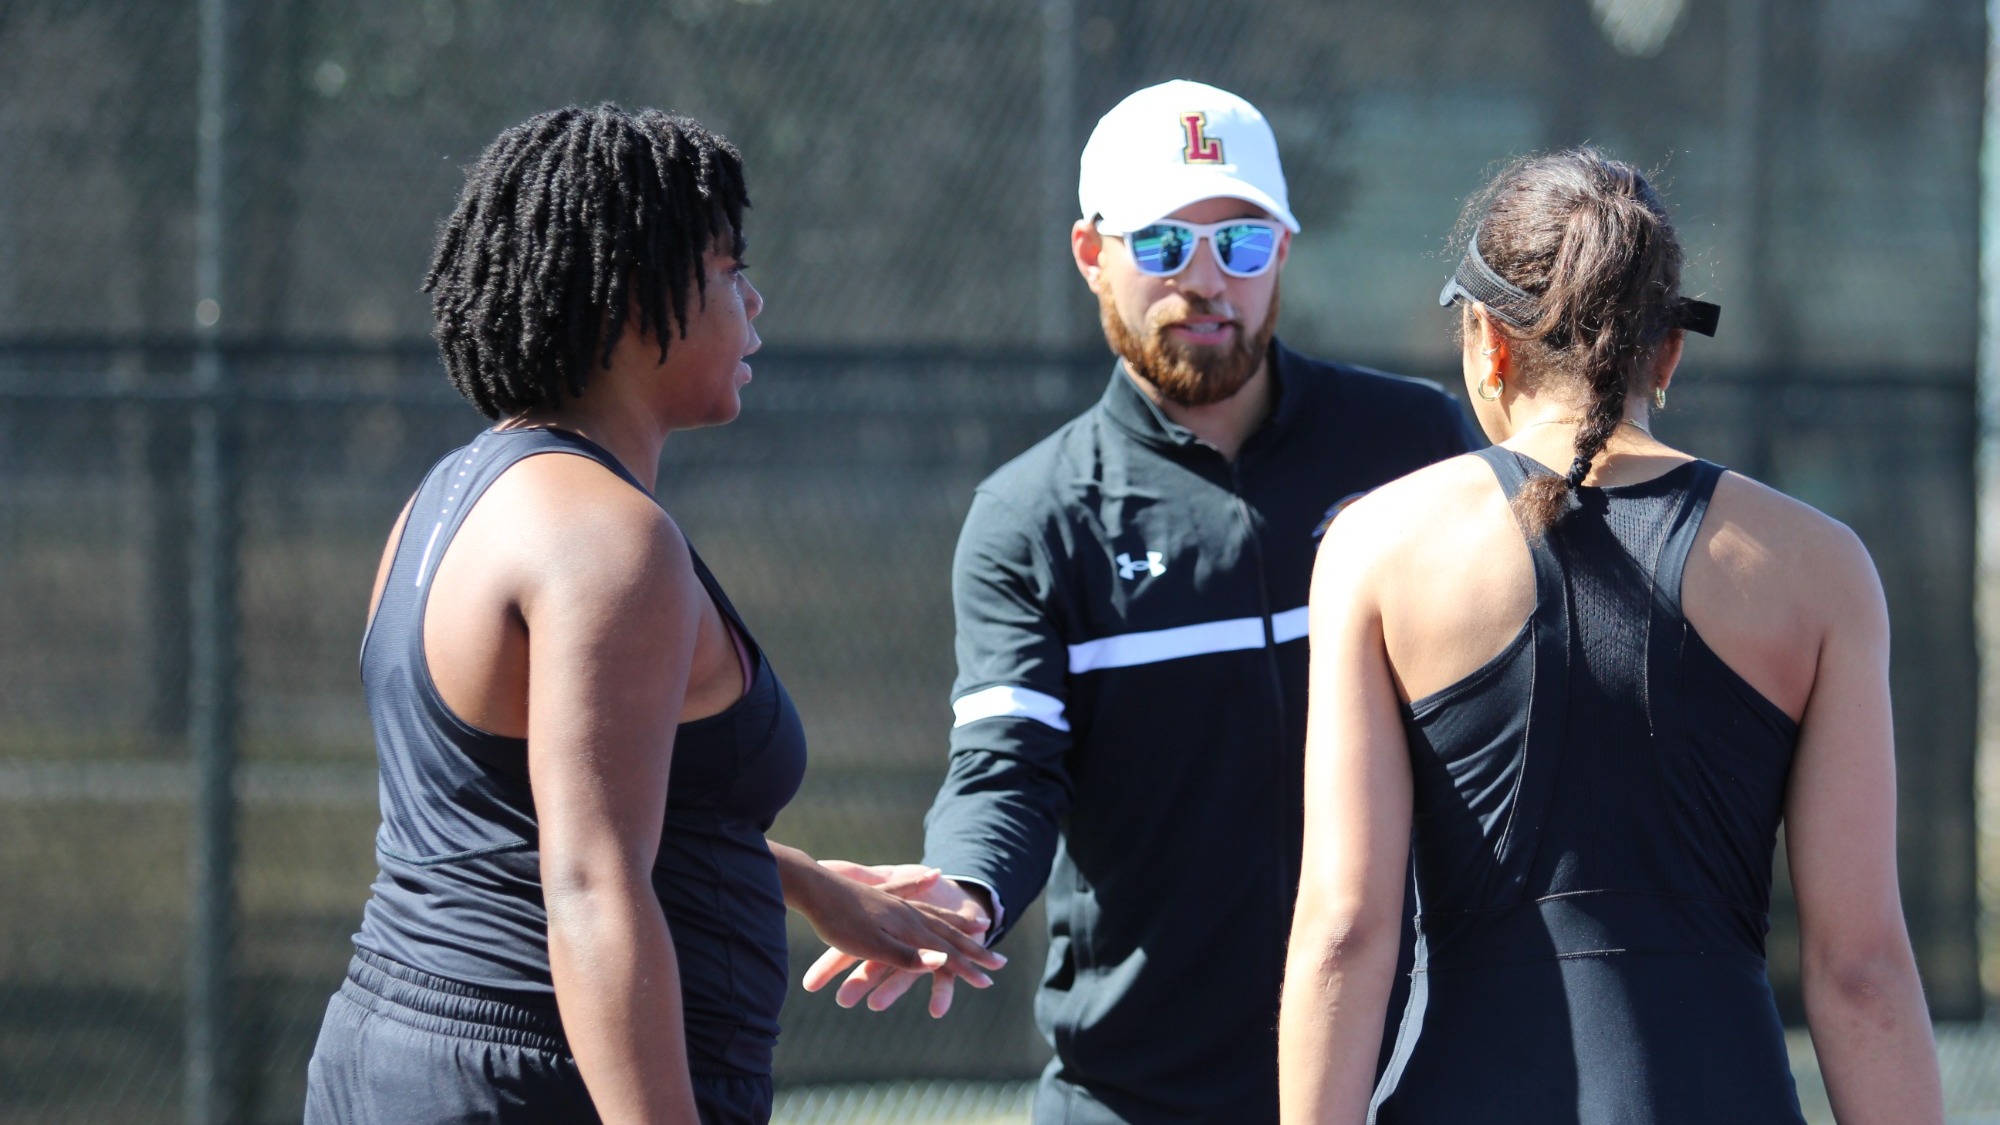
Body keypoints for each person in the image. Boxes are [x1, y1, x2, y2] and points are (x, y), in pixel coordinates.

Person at [302, 104, 1002, 1125]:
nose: (754, 302)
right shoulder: (608, 544)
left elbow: (525, 813)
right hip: (533, 1084)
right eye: (727, 270)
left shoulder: (449, 496)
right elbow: (589, 887)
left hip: (390, 1053)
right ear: (638, 298)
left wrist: (804, 883)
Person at [803, 80, 1478, 1124]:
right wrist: (967, 888)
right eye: (1162, 246)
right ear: (1091, 255)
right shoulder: (1031, 516)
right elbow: (1004, 770)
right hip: (1135, 1098)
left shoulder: (1418, 447)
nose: (1204, 283)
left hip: (1410, 1081)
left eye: (1240, 246)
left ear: (1284, 251)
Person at [1277, 149, 1946, 1124]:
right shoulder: (1817, 566)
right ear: (1666, 352)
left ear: (1485, 342)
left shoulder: (1376, 547)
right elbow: (1859, 971)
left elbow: (1343, 932)